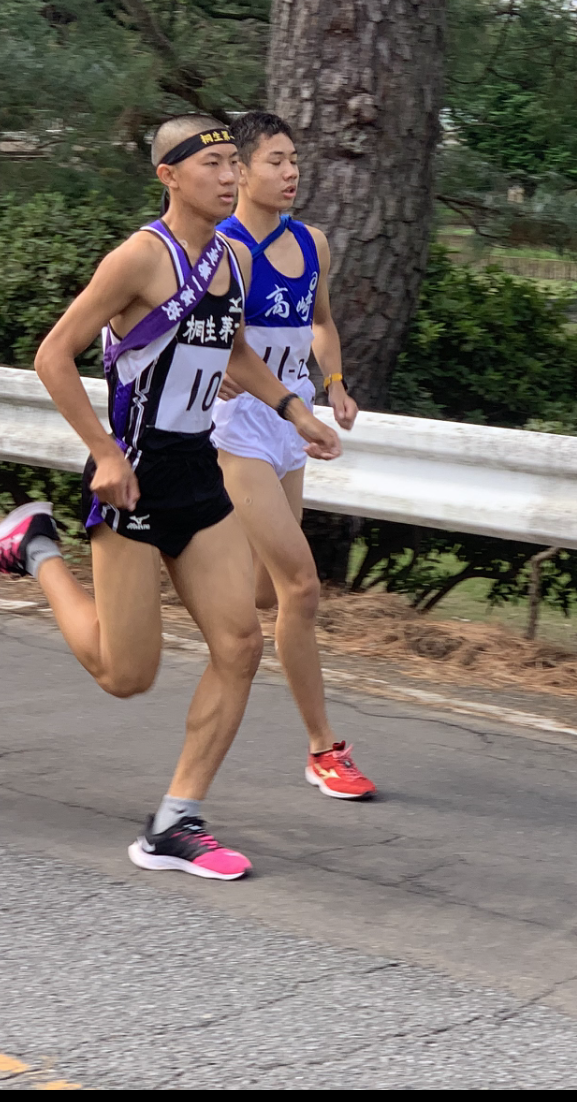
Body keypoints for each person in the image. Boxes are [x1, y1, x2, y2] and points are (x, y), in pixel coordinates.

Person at [0, 114, 341, 880]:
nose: (229, 178)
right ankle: (36, 548)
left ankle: (176, 821)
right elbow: (53, 355)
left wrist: (295, 409)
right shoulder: (139, 257)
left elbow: (234, 350)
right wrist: (103, 452)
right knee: (126, 675)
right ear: (168, 176)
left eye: (234, 165)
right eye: (213, 166)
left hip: (197, 472)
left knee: (240, 644)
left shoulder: (230, 258)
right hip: (133, 473)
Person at [212, 111, 376, 799]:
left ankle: (187, 565)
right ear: (241, 170)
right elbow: (199, 333)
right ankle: (323, 750)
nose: (291, 173)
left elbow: (321, 323)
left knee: (262, 593)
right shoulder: (223, 247)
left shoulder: (312, 243)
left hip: (291, 427)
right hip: (239, 428)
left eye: (295, 160)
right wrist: (218, 366)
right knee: (302, 588)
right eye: (275, 161)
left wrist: (333, 384)